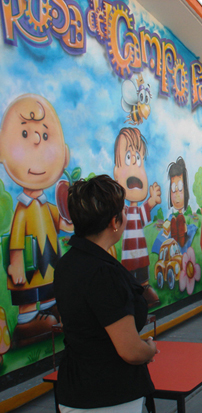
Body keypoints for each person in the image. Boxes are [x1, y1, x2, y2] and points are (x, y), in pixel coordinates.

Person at [54, 175, 157, 412]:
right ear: (114, 221)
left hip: (75, 389)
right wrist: (148, 350)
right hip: (108, 395)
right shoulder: (103, 273)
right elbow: (130, 351)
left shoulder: (68, 263)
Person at [0, 94, 73, 347]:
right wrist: (17, 264)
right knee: (30, 294)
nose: (36, 143)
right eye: (25, 135)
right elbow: (16, 239)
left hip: (50, 264)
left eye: (44, 136)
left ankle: (52, 310)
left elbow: (61, 223)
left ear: (63, 155)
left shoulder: (46, 206)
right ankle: (27, 322)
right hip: (29, 266)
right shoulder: (23, 209)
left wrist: (70, 223)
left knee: (51, 290)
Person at [113, 127, 161, 308]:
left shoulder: (135, 210)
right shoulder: (122, 209)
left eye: (138, 160)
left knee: (142, 269)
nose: (134, 166)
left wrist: (152, 201)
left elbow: (144, 212)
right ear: (116, 171)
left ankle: (144, 288)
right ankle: (130, 292)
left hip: (141, 249)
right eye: (128, 159)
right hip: (128, 251)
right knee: (129, 270)